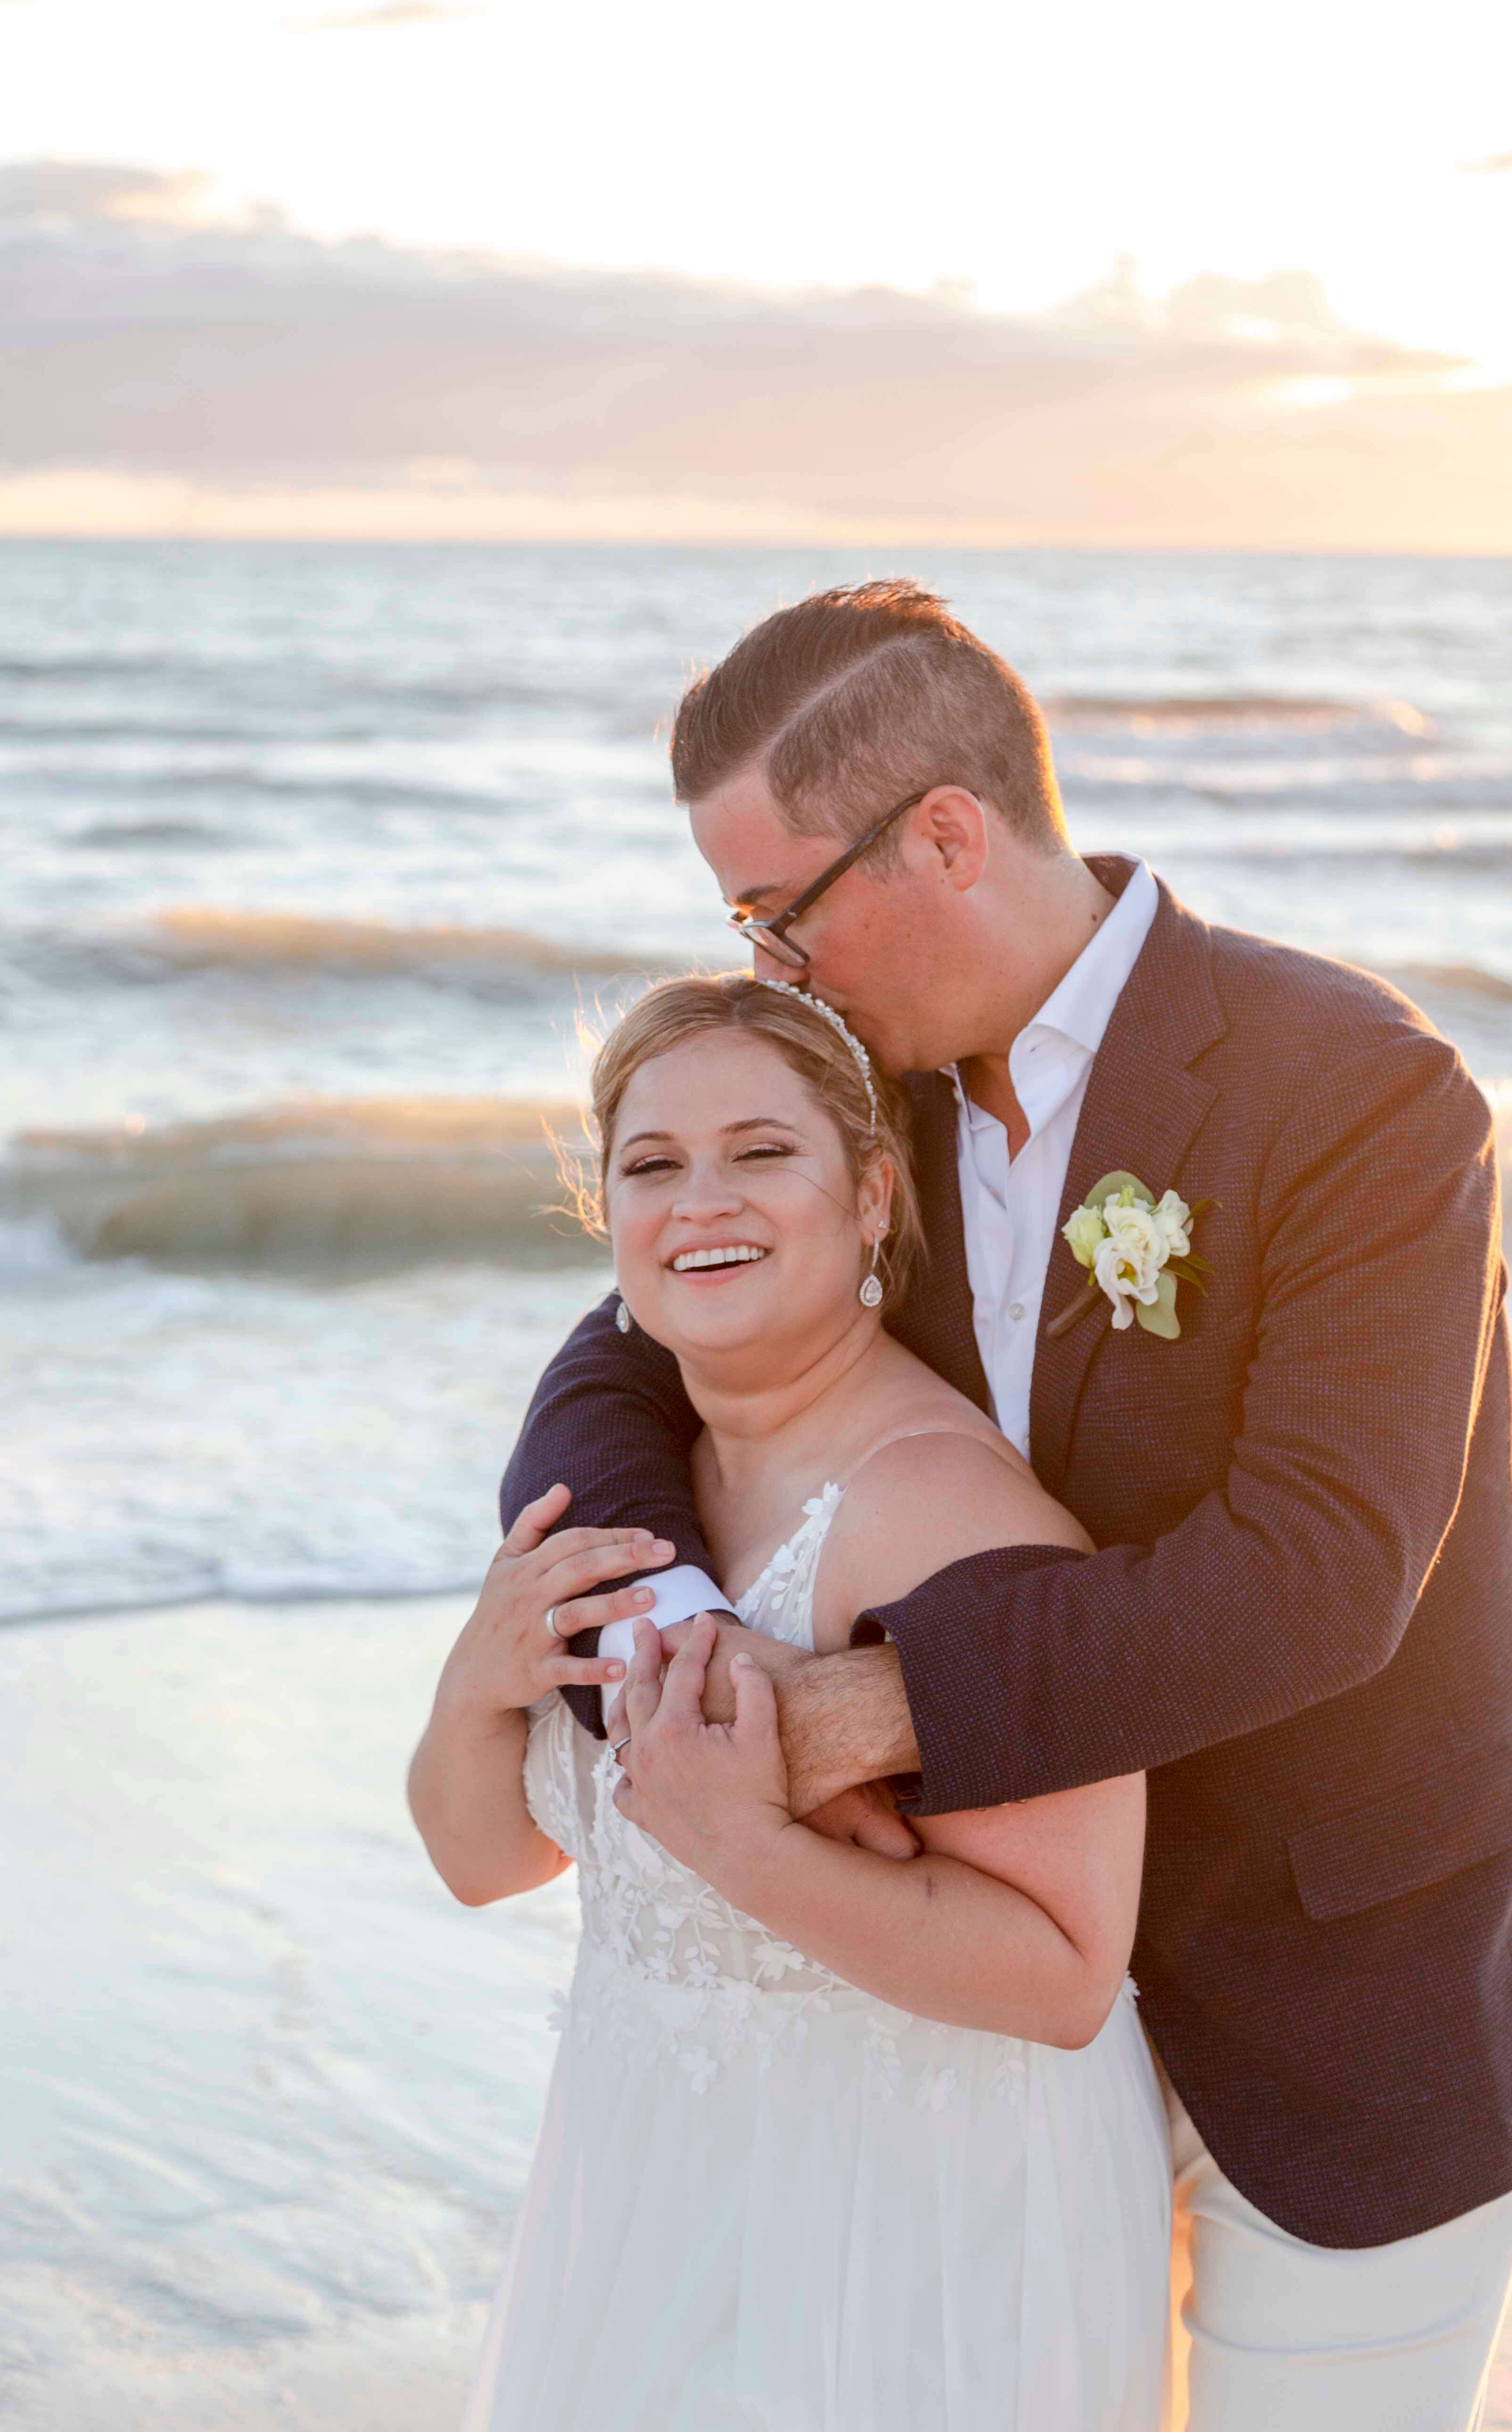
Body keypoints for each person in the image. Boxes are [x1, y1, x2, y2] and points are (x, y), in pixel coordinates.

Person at [496, 581, 1512, 2431]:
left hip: (1347, 1984)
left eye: (780, 914)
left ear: (942, 835)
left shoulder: (1359, 1096)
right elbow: (625, 1346)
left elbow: (1324, 1580)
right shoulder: (875, 1111)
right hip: (1005, 2018)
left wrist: (848, 1714)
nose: (774, 970)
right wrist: (666, 1616)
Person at [410, 974, 1173, 2430]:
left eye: (762, 1154)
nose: (704, 1201)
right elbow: (485, 1858)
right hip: (651, 2177)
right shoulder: (627, 1510)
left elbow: (1066, 1974)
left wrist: (751, 1849)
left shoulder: (943, 1512)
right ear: (609, 1217)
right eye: (654, 1165)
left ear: (872, 1195)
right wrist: (477, 1681)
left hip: (916, 2226)